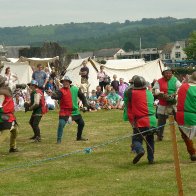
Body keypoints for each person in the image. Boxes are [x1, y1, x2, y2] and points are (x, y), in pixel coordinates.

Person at [124, 76, 156, 164]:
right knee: (150, 140)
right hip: (152, 120)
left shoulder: (132, 93)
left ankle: (140, 150)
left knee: (136, 140)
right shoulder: (149, 93)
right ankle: (151, 159)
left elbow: (127, 99)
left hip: (141, 121)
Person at [51, 76, 88, 143]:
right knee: (61, 124)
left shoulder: (75, 89)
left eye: (66, 81)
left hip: (75, 111)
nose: (65, 83)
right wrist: (53, 95)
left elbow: (83, 97)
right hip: (65, 111)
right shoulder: (61, 90)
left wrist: (85, 106)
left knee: (81, 123)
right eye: (64, 82)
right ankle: (58, 140)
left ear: (69, 82)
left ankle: (79, 137)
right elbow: (57, 96)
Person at [153, 67, 181, 141]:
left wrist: (174, 95)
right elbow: (156, 90)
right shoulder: (158, 81)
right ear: (163, 74)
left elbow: (180, 88)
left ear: (172, 73)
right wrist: (160, 93)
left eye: (170, 73)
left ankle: (185, 135)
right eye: (166, 73)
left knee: (180, 120)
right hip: (162, 104)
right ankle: (159, 136)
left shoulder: (175, 80)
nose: (168, 74)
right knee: (161, 122)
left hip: (173, 104)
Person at [176, 71, 196, 161]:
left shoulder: (183, 87)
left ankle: (193, 153)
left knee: (186, 136)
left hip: (181, 115)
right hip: (193, 115)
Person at [0, 75, 19, 153]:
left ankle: (13, 147)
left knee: (15, 131)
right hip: (4, 116)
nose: (5, 82)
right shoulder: (2, 93)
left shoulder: (5, 90)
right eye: (3, 81)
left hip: (9, 115)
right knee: (5, 133)